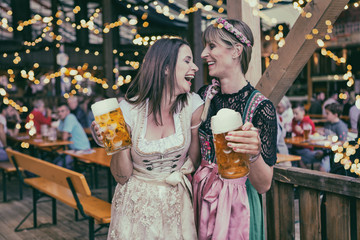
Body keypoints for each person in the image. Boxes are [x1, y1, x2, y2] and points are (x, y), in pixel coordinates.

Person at [94, 38, 203, 239]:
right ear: (166, 68)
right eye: (187, 61)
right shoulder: (128, 111)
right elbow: (122, 176)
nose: (195, 67)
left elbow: (195, 162)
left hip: (176, 206)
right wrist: (116, 142)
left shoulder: (193, 107)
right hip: (135, 207)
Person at [192, 18, 277, 239]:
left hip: (238, 206)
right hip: (201, 195)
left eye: (211, 46)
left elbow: (264, 185)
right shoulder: (203, 96)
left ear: (236, 51)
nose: (203, 54)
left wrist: (254, 153)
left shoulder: (261, 107)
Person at [56, 101, 91, 169]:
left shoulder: (70, 117)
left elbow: (64, 137)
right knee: (55, 162)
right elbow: (57, 134)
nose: (60, 113)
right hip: (72, 150)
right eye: (58, 112)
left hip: (82, 150)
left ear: (68, 111)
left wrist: (64, 134)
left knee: (59, 164)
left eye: (62, 111)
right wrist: (64, 134)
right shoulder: (62, 120)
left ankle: (75, 176)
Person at [290, 102, 323, 169]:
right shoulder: (293, 121)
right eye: (293, 113)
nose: (294, 115)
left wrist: (301, 131)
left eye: (296, 113)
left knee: (299, 156)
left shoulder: (308, 122)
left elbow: (311, 136)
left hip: (306, 148)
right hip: (295, 147)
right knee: (292, 154)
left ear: (303, 112)